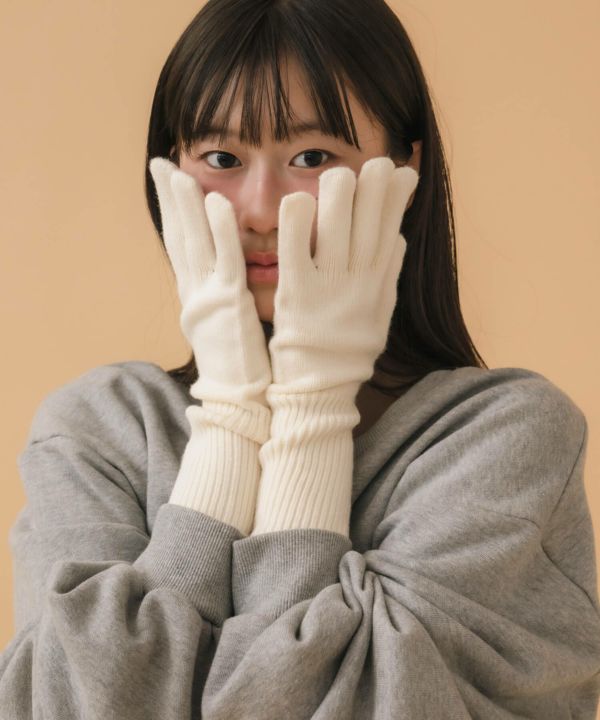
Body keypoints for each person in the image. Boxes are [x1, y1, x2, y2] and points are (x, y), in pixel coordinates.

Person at [2, 0, 600, 717]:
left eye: (313, 158)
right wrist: (231, 413)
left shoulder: (506, 436)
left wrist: (313, 401)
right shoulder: (98, 431)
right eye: (221, 159)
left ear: (404, 169)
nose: (260, 210)